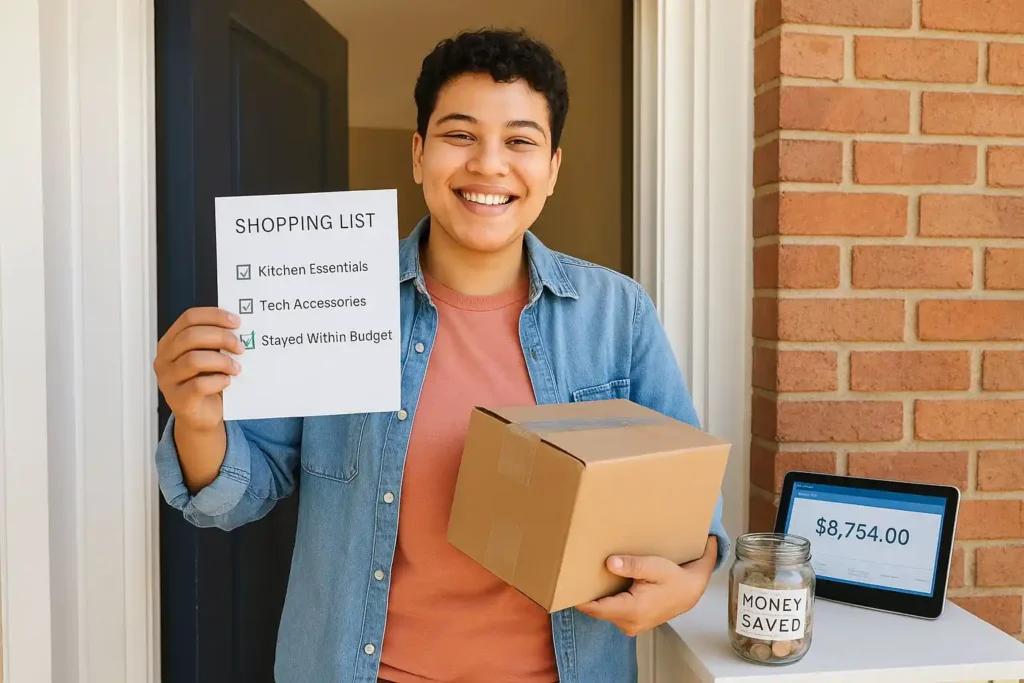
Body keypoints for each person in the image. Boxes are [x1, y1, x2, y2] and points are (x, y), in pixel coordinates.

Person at [153, 27, 730, 683]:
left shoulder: (617, 313)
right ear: (419, 153)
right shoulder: (332, 297)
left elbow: (692, 508)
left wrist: (690, 580)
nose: (488, 164)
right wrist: (198, 417)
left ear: (553, 169)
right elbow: (236, 496)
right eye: (460, 135)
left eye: (519, 140)